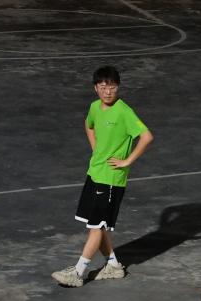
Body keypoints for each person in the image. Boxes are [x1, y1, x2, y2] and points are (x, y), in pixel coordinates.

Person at [52, 66, 153, 287]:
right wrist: (96, 149)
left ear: (118, 87)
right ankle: (113, 265)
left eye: (112, 87)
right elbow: (88, 125)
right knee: (97, 225)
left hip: (111, 179)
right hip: (95, 173)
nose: (108, 92)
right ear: (95, 88)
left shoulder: (124, 111)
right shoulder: (94, 108)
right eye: (103, 87)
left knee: (97, 226)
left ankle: (78, 272)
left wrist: (127, 161)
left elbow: (146, 136)